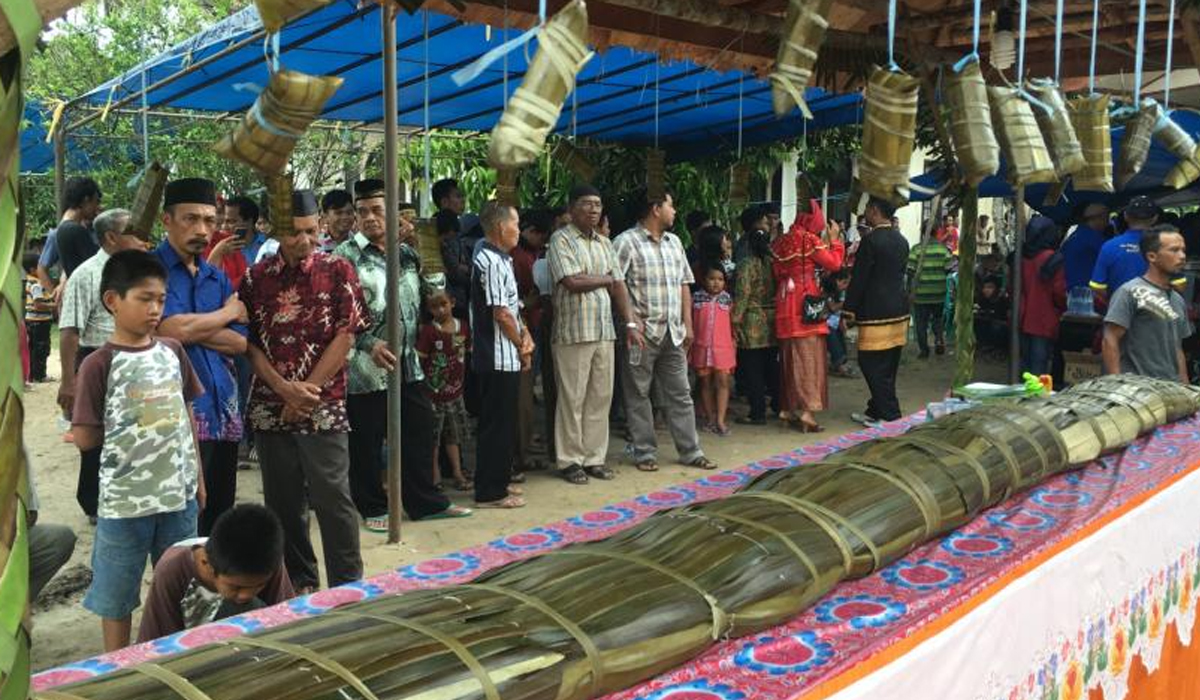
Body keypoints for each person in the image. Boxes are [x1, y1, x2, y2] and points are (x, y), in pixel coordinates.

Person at [71, 249, 205, 651]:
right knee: (116, 594)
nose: (154, 309)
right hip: (124, 505)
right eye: (144, 299)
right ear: (113, 300)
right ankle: (117, 666)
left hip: (178, 499)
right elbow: (85, 437)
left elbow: (187, 416)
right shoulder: (99, 364)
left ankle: (174, 658)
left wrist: (197, 476)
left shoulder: (172, 351)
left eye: (161, 300)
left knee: (183, 585)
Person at [242, 189, 370, 591]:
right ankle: (299, 585)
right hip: (271, 406)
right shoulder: (254, 278)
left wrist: (306, 392)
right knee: (282, 505)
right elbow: (248, 343)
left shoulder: (339, 270)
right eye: (295, 232)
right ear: (276, 230)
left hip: (323, 404)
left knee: (333, 499)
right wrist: (283, 390)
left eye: (311, 231)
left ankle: (348, 586)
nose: (305, 240)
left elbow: (346, 336)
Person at [333, 179, 470, 529]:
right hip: (365, 366)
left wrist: (424, 245)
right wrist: (368, 343)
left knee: (418, 432)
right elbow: (340, 315)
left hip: (408, 363)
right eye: (362, 212)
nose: (369, 218)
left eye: (378, 210)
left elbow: (436, 294)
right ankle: (372, 507)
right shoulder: (344, 257)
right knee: (365, 440)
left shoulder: (407, 254)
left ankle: (425, 502)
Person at [154, 178, 247, 538]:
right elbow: (171, 330)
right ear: (166, 219)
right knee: (184, 515)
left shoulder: (215, 276)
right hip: (178, 414)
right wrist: (227, 314)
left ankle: (216, 588)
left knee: (221, 514)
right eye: (190, 219)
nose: (202, 230)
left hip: (223, 408)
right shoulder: (151, 272)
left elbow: (239, 344)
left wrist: (195, 329)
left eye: (209, 221)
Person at [615, 189, 716, 471]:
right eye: (671, 205)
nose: (675, 211)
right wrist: (631, 321)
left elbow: (684, 284)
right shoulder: (625, 242)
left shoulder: (674, 243)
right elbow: (616, 283)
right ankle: (645, 452)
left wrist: (688, 324)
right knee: (638, 394)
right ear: (656, 208)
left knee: (681, 392)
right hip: (642, 333)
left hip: (672, 331)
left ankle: (691, 450)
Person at [57, 209, 147, 519]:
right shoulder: (87, 274)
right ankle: (95, 503)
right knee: (96, 436)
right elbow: (69, 331)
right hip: (97, 359)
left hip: (134, 359)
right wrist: (68, 381)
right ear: (111, 237)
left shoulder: (137, 272)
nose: (142, 239)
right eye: (133, 232)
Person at [546, 185, 638, 485]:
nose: (594, 210)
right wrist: (606, 279)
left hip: (603, 331)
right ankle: (570, 460)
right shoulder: (561, 239)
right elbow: (572, 281)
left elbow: (619, 285)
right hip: (573, 332)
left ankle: (594, 458)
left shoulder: (604, 243)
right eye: (587, 204)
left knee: (600, 397)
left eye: (598, 205)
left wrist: (631, 323)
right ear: (572, 208)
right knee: (572, 398)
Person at [137, 504, 294, 643]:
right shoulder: (172, 570)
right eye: (237, 587)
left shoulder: (268, 559)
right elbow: (156, 644)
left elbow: (288, 622)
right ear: (207, 564)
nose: (246, 595)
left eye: (259, 585)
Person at [471, 201, 532, 508]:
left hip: (507, 352)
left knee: (504, 423)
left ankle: (500, 482)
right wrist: (521, 342)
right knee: (495, 425)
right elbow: (501, 313)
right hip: (495, 354)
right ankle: (489, 491)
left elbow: (513, 306)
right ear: (500, 228)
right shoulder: (490, 261)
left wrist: (526, 336)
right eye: (516, 224)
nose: (519, 231)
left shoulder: (501, 258)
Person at [771, 201, 845, 432]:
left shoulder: (781, 240)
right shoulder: (809, 240)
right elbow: (834, 264)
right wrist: (835, 240)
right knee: (810, 359)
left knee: (789, 359)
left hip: (785, 303)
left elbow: (776, 272)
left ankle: (787, 408)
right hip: (806, 306)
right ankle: (807, 413)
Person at [845, 197, 911, 426]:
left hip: (876, 312)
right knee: (889, 363)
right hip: (899, 309)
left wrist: (848, 311)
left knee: (870, 362)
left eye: (866, 210)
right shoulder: (902, 240)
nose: (864, 214)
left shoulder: (871, 241)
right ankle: (876, 409)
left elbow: (859, 279)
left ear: (874, 211)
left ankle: (890, 415)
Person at [1102, 225, 1192, 382]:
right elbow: (1110, 339)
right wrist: (1115, 384)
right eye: (1174, 250)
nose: (1182, 256)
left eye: (1183, 250)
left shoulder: (1177, 299)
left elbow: (1177, 349)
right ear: (1152, 256)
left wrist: (1185, 387)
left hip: (1169, 390)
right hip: (1137, 391)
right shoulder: (1130, 292)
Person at [416, 290, 472, 491]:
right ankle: (435, 476)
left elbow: (465, 354)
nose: (440, 309)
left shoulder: (463, 327)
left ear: (453, 303)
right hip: (433, 394)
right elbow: (421, 359)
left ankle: (457, 472)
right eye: (434, 306)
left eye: (443, 304)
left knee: (453, 435)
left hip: (456, 393)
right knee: (434, 438)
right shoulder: (429, 332)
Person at [511, 209, 552, 474]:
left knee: (524, 397)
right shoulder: (517, 258)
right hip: (520, 330)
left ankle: (522, 450)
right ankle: (518, 455)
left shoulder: (530, 255)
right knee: (520, 397)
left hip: (529, 326)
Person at [731, 225, 777, 425]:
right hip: (772, 317)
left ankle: (757, 412)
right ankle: (778, 404)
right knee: (770, 366)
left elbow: (743, 295)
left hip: (751, 319)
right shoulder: (773, 263)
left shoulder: (746, 265)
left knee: (753, 369)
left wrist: (734, 320)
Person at [1091, 197, 1181, 299]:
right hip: (1157, 311)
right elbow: (1179, 285)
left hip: (1120, 312)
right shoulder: (1167, 245)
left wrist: (1117, 301)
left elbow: (1097, 287)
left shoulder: (1109, 246)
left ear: (1126, 216)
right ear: (1155, 218)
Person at [1017, 216, 1068, 375]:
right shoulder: (1053, 259)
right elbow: (1059, 292)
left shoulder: (1020, 257)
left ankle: (1022, 397)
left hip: (1021, 317)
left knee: (1025, 362)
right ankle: (1036, 399)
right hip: (1044, 318)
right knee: (1040, 365)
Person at [690, 265, 736, 435]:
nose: (716, 283)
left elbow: (732, 326)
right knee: (705, 383)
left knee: (723, 383)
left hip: (722, 349)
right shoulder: (696, 299)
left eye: (720, 279)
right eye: (712, 279)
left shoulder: (728, 300)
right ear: (704, 280)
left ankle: (720, 420)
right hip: (702, 348)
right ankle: (710, 418)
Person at [907, 221, 953, 359]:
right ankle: (939, 338)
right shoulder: (943, 249)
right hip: (938, 292)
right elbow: (948, 268)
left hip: (920, 293)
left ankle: (924, 350)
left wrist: (909, 291)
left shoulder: (916, 249)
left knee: (921, 323)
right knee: (938, 319)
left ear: (922, 231)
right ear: (937, 231)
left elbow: (910, 271)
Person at [205, 196, 265, 291]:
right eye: (224, 221)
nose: (225, 226)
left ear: (249, 221)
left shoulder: (270, 245)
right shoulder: (221, 247)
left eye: (231, 222)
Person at [55, 176, 104, 277]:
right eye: (96, 201)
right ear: (86, 200)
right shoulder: (75, 230)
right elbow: (97, 265)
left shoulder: (64, 227)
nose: (97, 207)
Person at [1062, 202, 1109, 294]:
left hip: (1071, 291)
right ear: (1098, 218)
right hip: (1087, 295)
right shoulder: (1094, 239)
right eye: (1106, 218)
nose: (1107, 223)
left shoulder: (1074, 235)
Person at [23, 253, 54, 383]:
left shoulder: (31, 281)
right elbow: (38, 304)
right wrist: (56, 305)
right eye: (41, 267)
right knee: (41, 349)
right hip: (39, 322)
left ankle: (32, 374)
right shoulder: (36, 284)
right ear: (32, 270)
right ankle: (40, 375)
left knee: (33, 348)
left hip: (32, 322)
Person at [823, 269, 855, 377]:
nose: (846, 286)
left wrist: (843, 322)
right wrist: (844, 303)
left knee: (840, 339)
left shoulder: (839, 293)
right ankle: (839, 364)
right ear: (837, 281)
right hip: (825, 323)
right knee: (833, 339)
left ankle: (838, 363)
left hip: (834, 323)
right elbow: (832, 308)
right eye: (844, 282)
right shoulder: (826, 291)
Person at [974, 276, 1009, 351]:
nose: (986, 290)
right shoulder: (983, 300)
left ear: (996, 289)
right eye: (985, 287)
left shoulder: (1002, 300)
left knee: (996, 327)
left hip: (1001, 329)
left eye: (990, 287)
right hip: (987, 325)